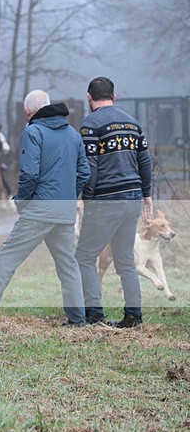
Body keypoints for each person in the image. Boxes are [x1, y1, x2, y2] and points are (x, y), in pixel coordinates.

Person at [0, 90, 90, 326]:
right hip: (65, 213)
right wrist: (68, 196)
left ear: (28, 111)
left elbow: (29, 174)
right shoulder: (73, 134)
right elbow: (84, 173)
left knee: (5, 259)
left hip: (39, 211)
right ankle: (78, 320)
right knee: (69, 268)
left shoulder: (33, 132)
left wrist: (22, 201)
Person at [75, 77, 153, 328]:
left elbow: (90, 166)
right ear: (114, 96)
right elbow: (145, 161)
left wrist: (87, 199)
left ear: (89, 97)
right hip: (132, 198)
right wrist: (146, 194)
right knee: (125, 261)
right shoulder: (133, 123)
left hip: (106, 200)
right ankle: (133, 316)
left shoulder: (89, 125)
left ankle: (94, 315)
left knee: (84, 256)